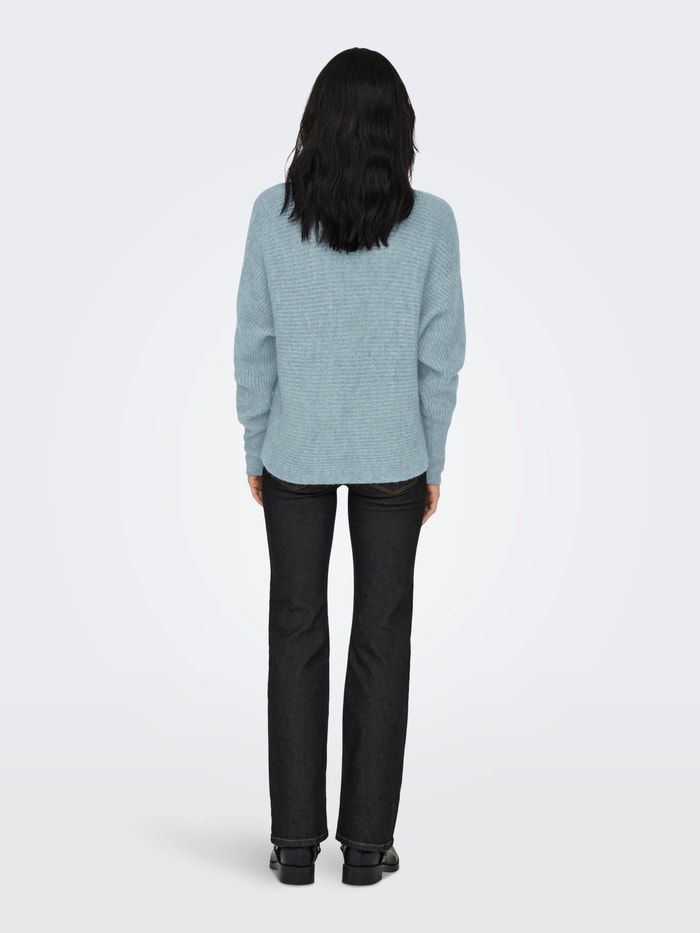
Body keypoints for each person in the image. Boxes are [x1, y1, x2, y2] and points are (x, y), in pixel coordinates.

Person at [234, 47, 466, 886]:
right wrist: (433, 456)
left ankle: (295, 843)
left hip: (293, 454)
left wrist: (255, 440)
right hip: (395, 456)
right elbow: (440, 356)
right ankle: (366, 847)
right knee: (382, 637)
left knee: (295, 631)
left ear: (315, 126)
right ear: (398, 131)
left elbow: (254, 341)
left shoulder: (271, 215)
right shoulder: (431, 222)